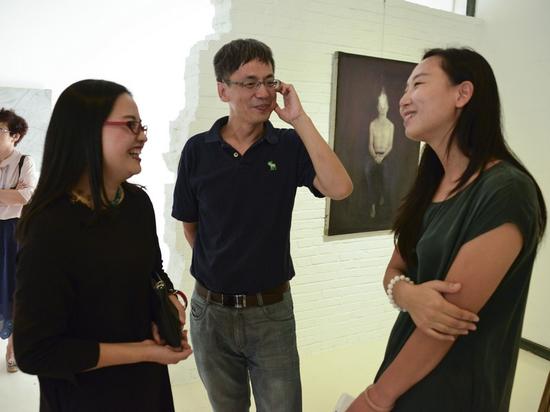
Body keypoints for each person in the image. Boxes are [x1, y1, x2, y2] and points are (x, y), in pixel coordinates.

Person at [346, 48, 547, 412]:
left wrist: (376, 398)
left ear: (462, 93)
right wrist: (407, 294)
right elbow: (395, 270)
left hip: (454, 390)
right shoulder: (430, 184)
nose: (403, 100)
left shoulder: (505, 190)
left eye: (418, 84)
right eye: (404, 89)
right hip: (403, 375)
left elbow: (444, 326)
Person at [172, 38, 353, 412]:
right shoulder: (198, 150)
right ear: (223, 90)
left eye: (270, 81)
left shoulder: (288, 146)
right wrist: (223, 267)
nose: (264, 93)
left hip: (270, 312)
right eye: (250, 83)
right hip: (210, 312)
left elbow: (340, 188)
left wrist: (299, 119)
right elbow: (192, 227)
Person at [13, 79, 192, 412]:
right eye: (130, 125)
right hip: (85, 397)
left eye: (142, 125)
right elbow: (35, 351)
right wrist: (144, 351)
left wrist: (167, 297)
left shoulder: (137, 203)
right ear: (87, 133)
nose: (143, 136)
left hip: (147, 387)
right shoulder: (50, 225)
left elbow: (153, 270)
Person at [0, 108, 37, 373]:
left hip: (13, 232)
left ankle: (12, 350)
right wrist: (9, 193)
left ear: (14, 135)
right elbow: (16, 195)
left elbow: (26, 196)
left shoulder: (25, 161)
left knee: (14, 290)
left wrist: (17, 194)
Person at [365, 89, 394, 218]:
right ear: (377, 107)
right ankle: (372, 204)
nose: (382, 108)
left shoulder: (391, 125)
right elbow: (370, 144)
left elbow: (390, 145)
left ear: (387, 107)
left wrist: (382, 157)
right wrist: (375, 156)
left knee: (386, 175)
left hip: (385, 156)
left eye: (384, 105)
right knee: (367, 171)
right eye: (380, 106)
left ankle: (383, 198)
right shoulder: (372, 124)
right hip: (373, 155)